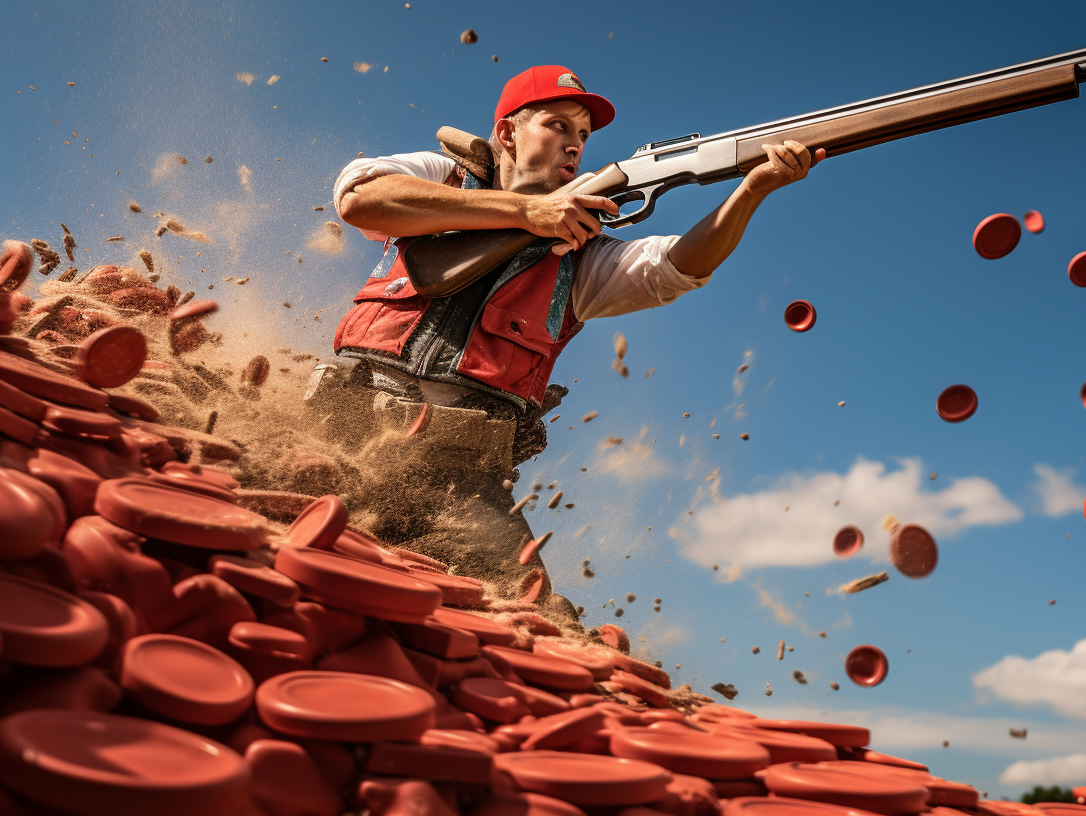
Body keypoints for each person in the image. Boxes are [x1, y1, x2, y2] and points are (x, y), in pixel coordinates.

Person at [314, 64, 824, 622]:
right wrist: (527, 213)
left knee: (533, 628)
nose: (575, 145)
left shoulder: (583, 254)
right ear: (508, 133)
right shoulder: (443, 177)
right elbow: (361, 198)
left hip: (463, 477)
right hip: (345, 426)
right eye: (558, 126)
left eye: (583, 135)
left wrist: (752, 190)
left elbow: (678, 267)